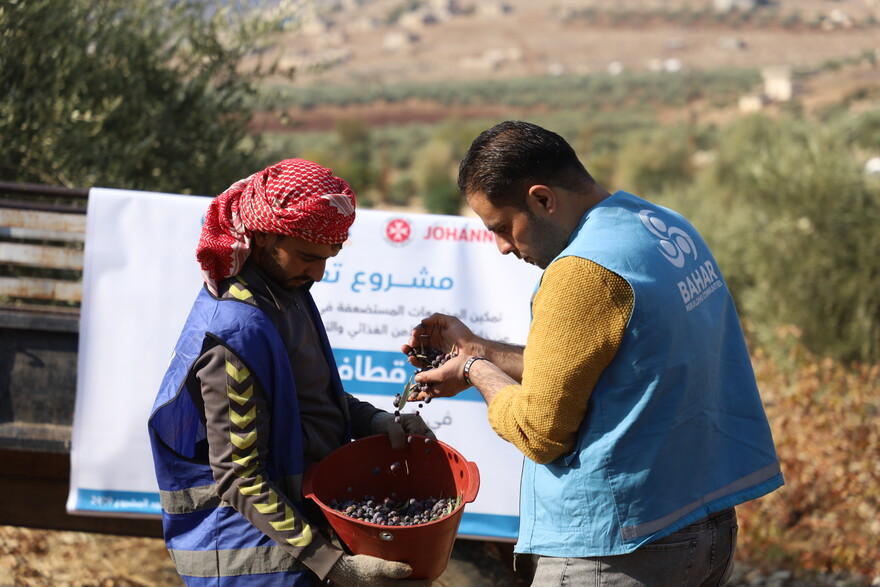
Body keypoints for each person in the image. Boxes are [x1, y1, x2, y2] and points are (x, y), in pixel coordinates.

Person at [403, 121, 784, 586]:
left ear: (543, 200)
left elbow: (538, 432)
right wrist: (481, 349)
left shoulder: (581, 273)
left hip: (618, 551)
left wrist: (474, 370)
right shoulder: (662, 225)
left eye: (503, 227)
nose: (502, 247)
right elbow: (609, 367)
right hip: (703, 528)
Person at [148, 158, 434, 586]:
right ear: (263, 235)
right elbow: (241, 479)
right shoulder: (234, 334)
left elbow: (304, 398)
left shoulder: (288, 293)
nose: (319, 272)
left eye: (329, 258)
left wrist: (375, 422)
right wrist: (335, 565)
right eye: (307, 257)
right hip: (250, 561)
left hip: (295, 548)